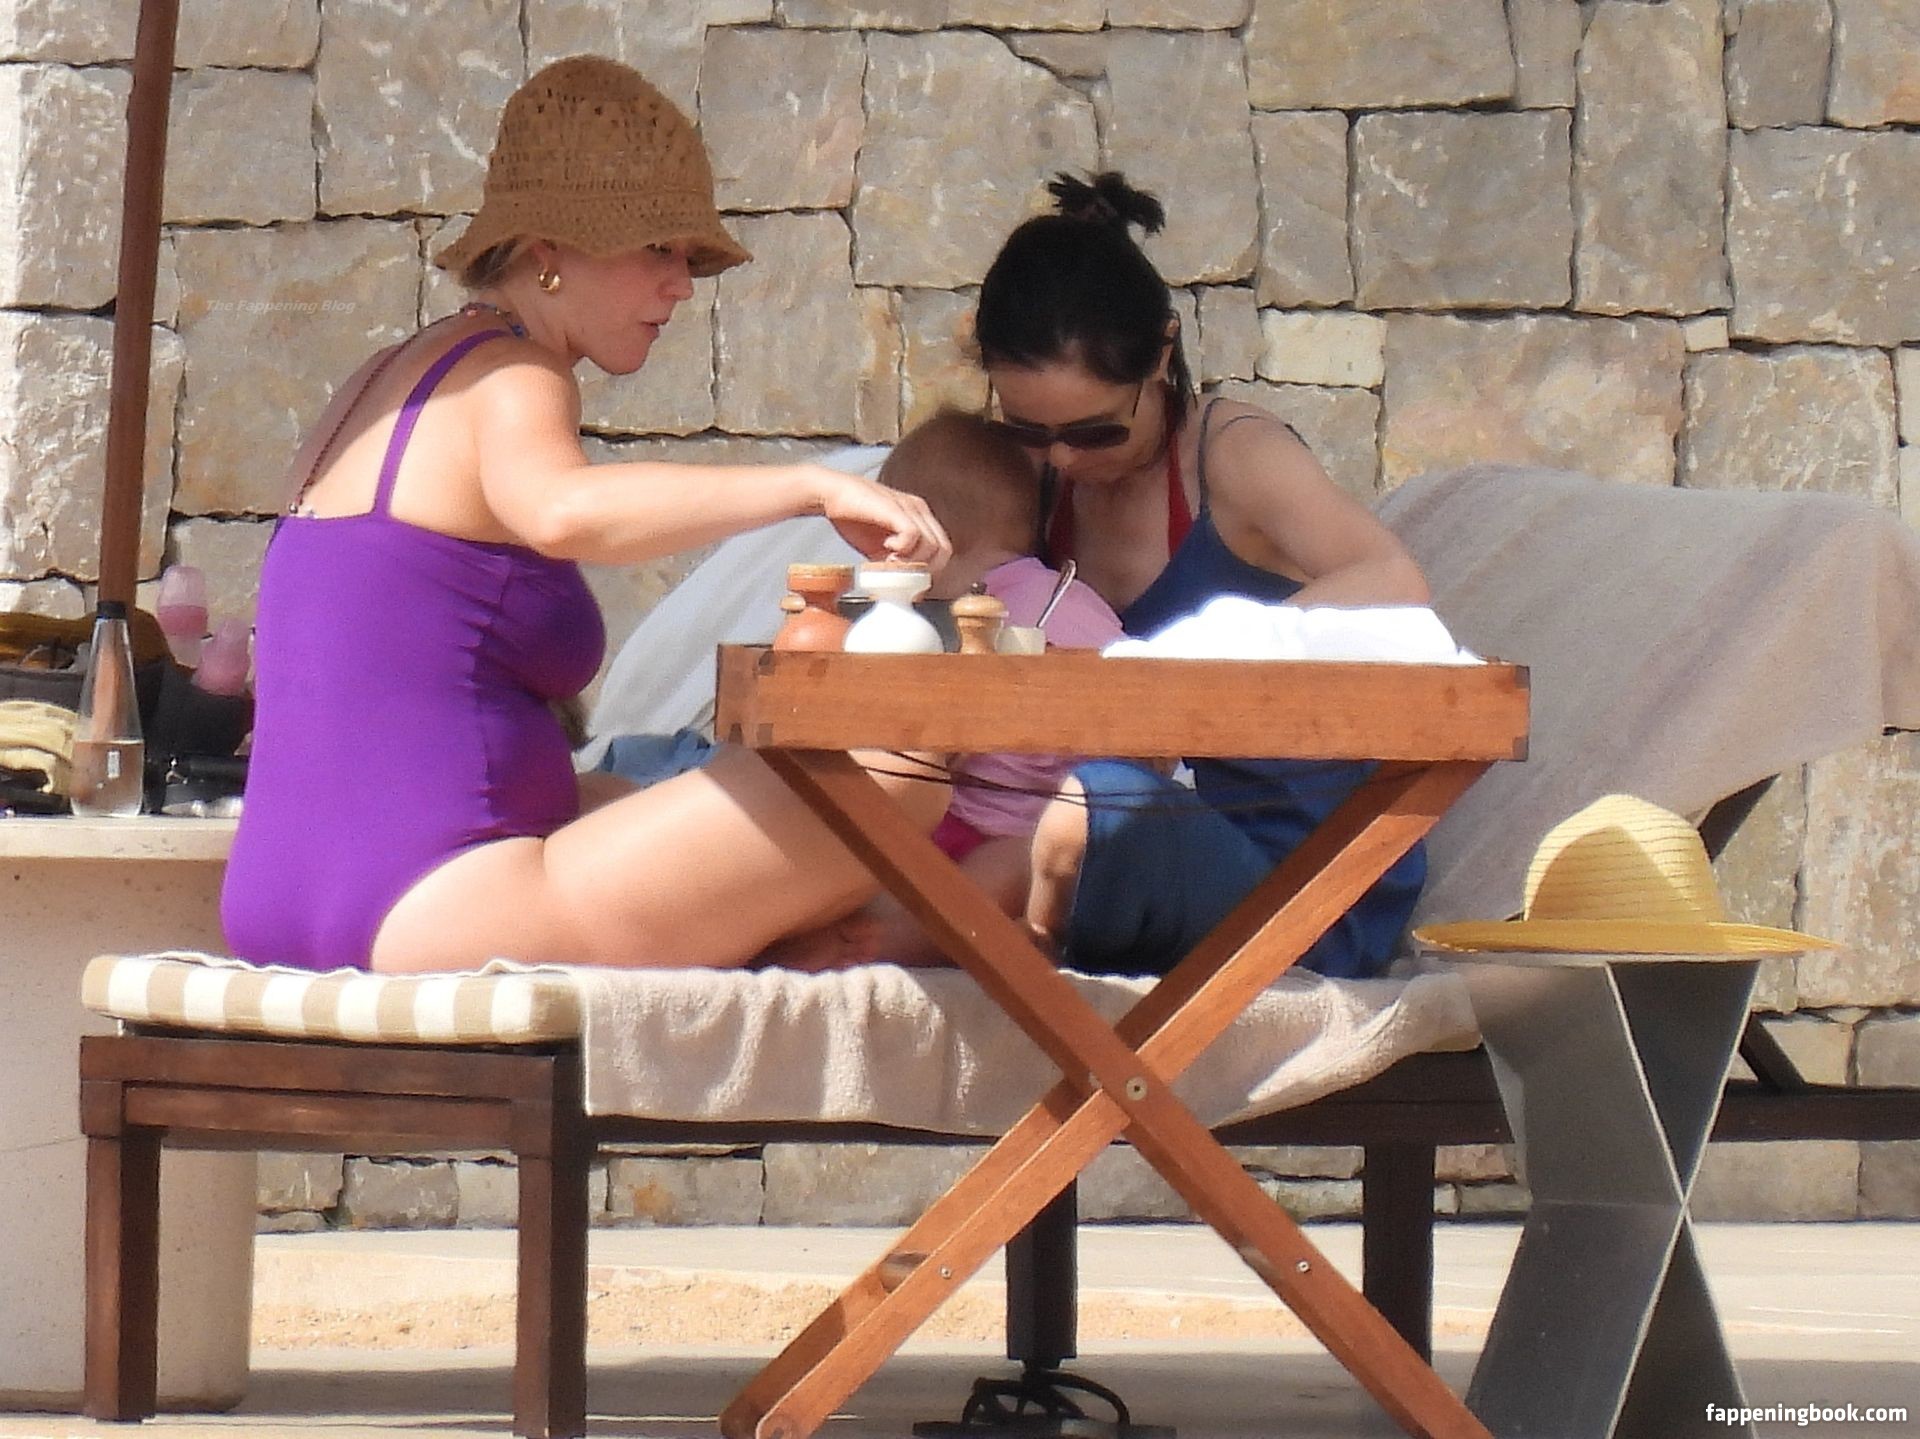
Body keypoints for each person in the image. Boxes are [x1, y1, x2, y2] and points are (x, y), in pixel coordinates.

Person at [219, 57, 951, 976]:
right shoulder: (514, 374)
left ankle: (770, 936)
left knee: (631, 789)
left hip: (284, 895)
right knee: (897, 773)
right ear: (547, 253)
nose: (681, 285)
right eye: (658, 250)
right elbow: (565, 512)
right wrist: (813, 486)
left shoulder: (392, 378)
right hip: (435, 901)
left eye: (687, 258)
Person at [972, 172, 1431, 980]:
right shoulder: (1033, 481)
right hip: (1102, 845)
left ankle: (1028, 967)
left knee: (1096, 808)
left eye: (1095, 431)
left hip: (1295, 876)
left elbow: (1394, 582)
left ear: (1162, 354)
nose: (1063, 458)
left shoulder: (1235, 458)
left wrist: (1190, 664)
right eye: (1028, 430)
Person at [787, 410, 1123, 968]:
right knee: (1013, 864)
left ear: (925, 534)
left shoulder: (944, 621)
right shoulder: (1082, 603)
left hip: (990, 830)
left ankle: (889, 941)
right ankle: (880, 934)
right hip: (1021, 839)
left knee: (904, 852)